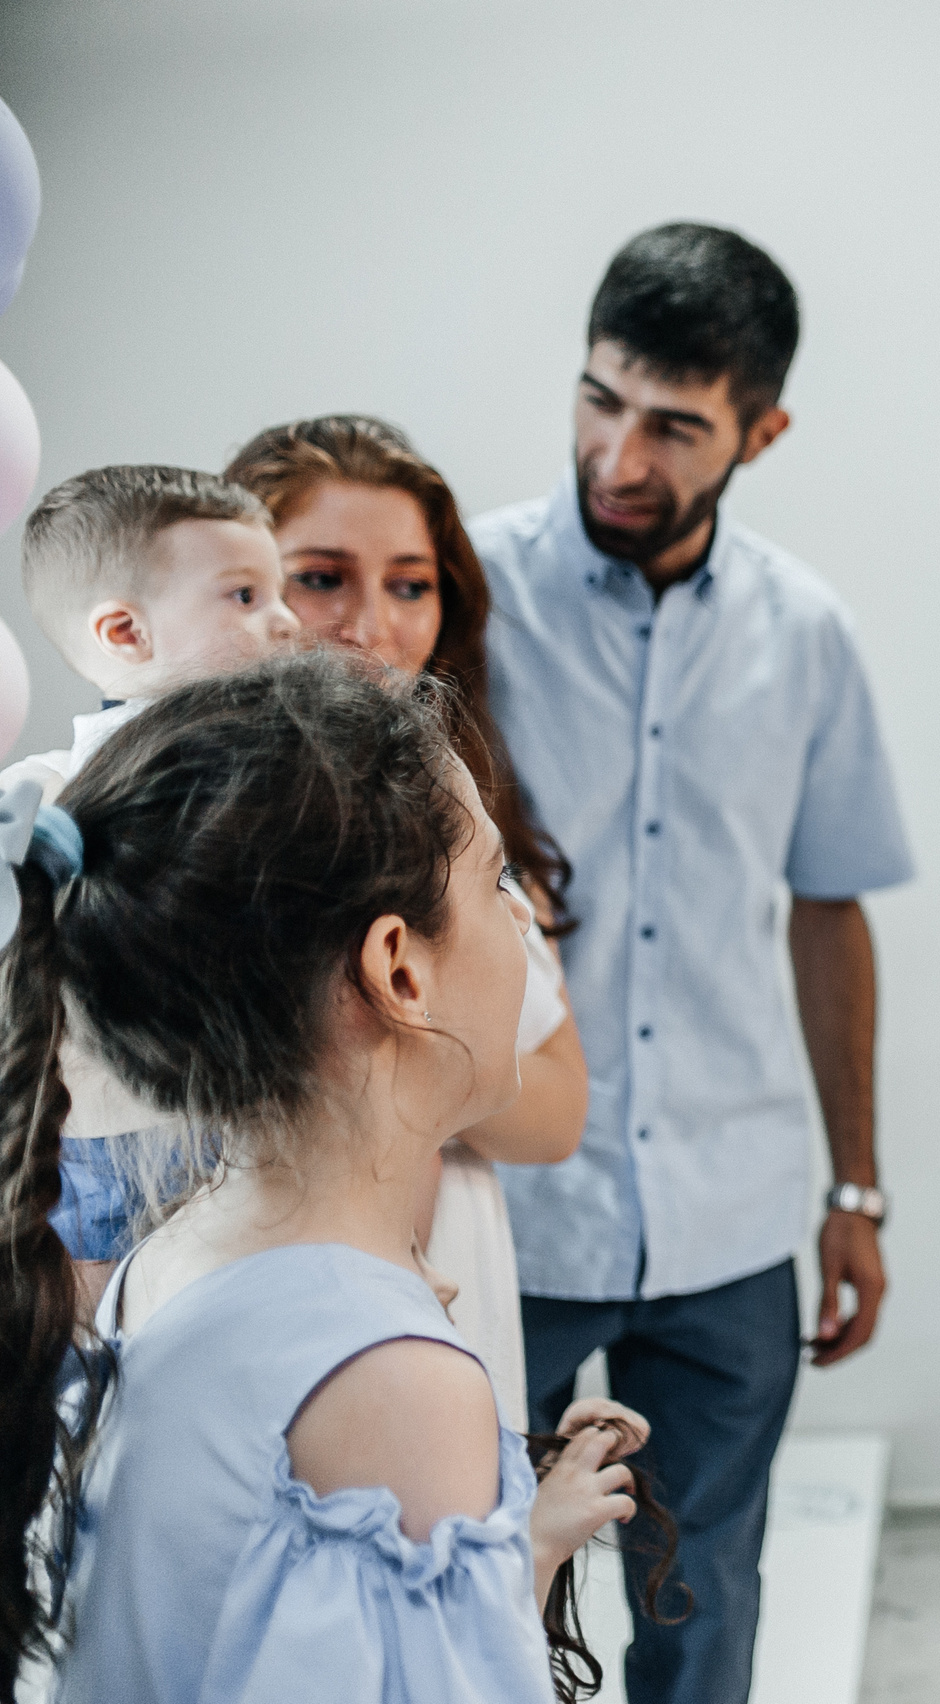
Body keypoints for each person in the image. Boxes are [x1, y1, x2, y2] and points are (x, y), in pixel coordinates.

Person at [1, 653, 637, 1701]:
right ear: (399, 970)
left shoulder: (181, 1249)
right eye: (495, 881)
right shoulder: (388, 1380)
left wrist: (515, 1549)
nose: (523, 922)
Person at [470, 221, 912, 1704]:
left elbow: (830, 909)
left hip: (730, 1226)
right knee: (471, 1596)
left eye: (672, 425)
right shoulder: (461, 601)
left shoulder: (809, 637)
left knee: (702, 1603)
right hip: (498, 1217)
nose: (618, 454)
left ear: (760, 431)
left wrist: (855, 1190)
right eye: (600, 401)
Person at [224, 414, 588, 1433]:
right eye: (322, 577)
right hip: (236, 1294)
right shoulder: (161, 824)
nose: (371, 624)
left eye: (410, 584)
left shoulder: (467, 819)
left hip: (447, 1275)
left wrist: (364, 1053)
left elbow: (557, 1110)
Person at [2, 465, 301, 1303]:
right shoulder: (48, 795)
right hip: (106, 1140)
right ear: (126, 633)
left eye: (278, 592)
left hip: (259, 1135)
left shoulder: (285, 785)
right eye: (244, 597)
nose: (285, 621)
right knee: (112, 1347)